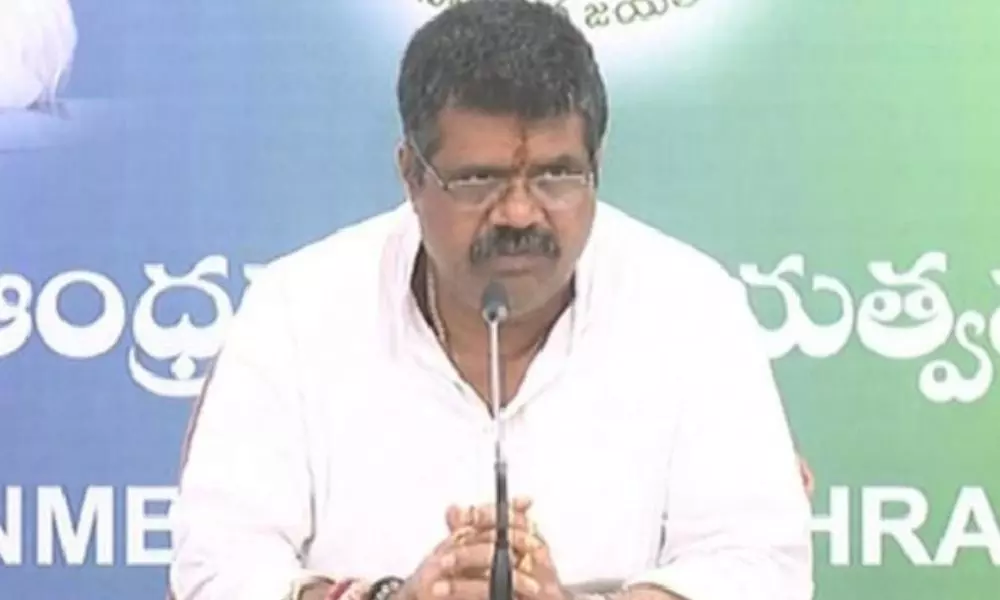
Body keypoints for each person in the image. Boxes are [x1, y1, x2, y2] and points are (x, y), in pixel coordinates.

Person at [167, 1, 814, 599]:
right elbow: (216, 567)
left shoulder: (692, 308)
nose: (519, 213)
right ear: (411, 173)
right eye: (479, 179)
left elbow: (759, 565)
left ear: (597, 163)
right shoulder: (296, 310)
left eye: (556, 174)